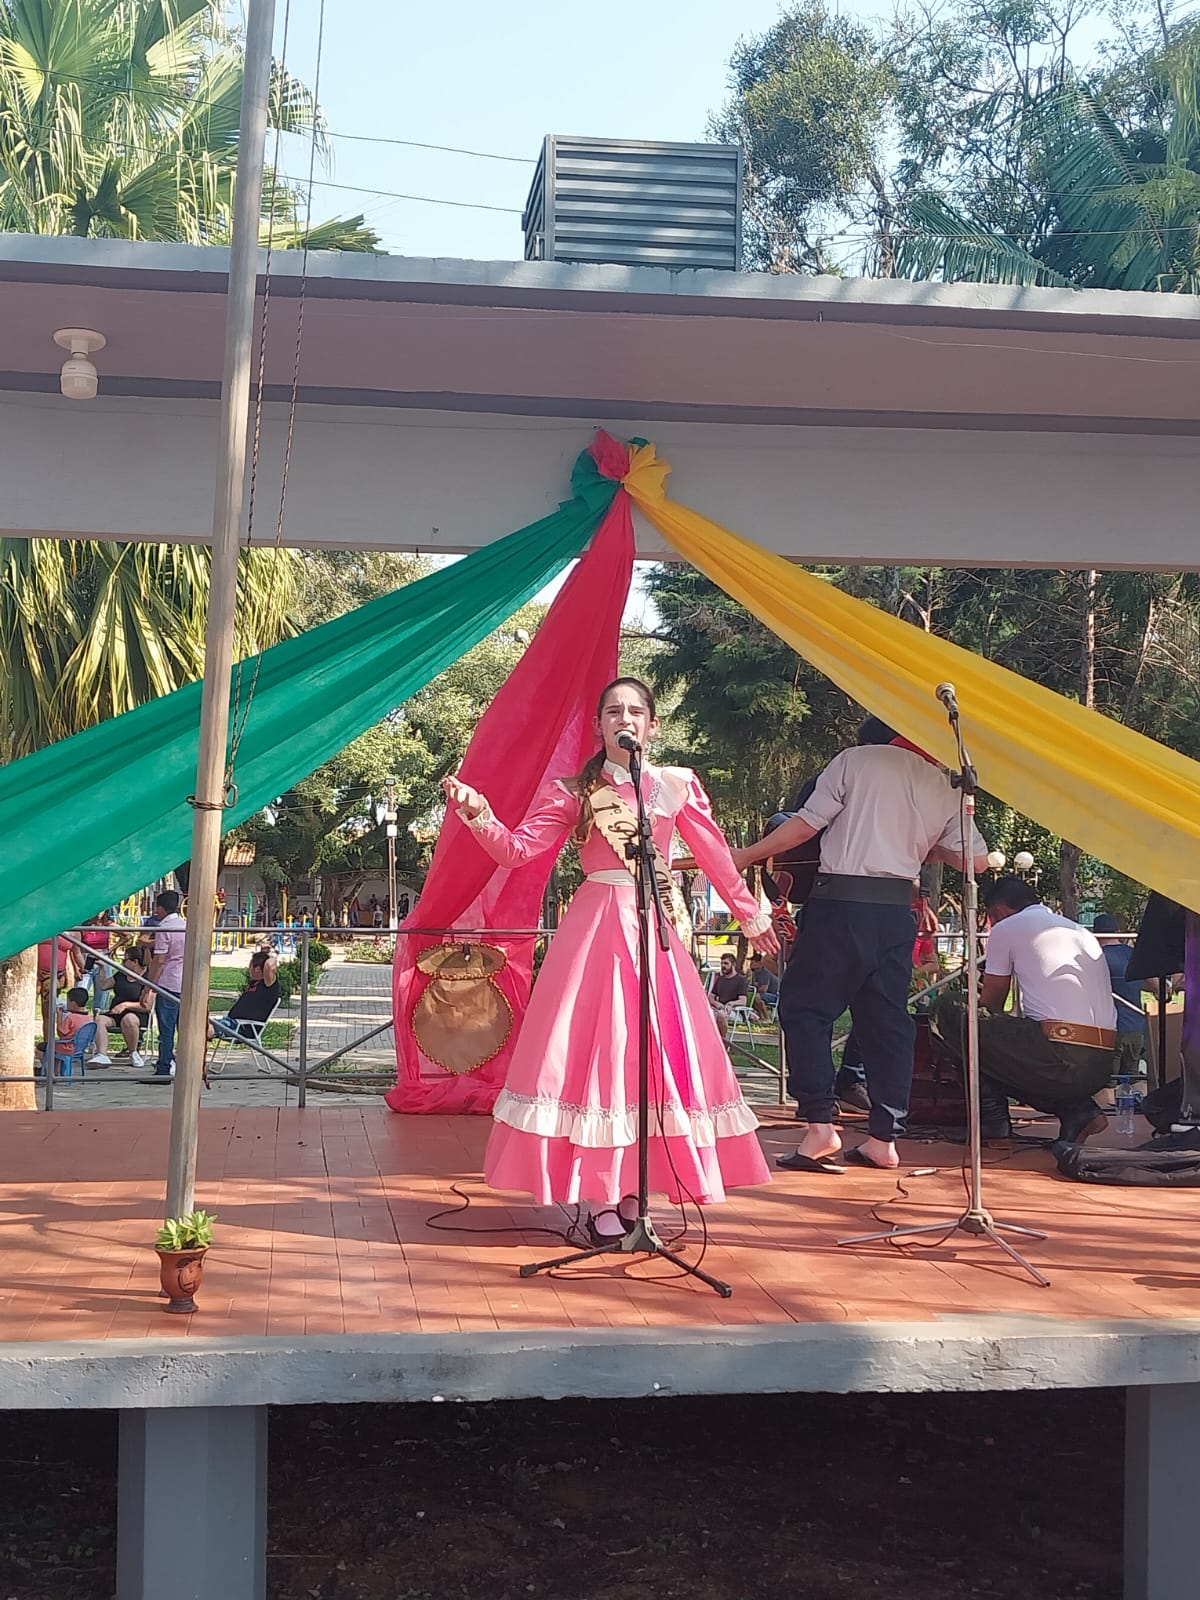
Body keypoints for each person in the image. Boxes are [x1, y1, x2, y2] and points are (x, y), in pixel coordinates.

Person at [441, 675, 778, 1241]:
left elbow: (714, 854)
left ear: (653, 724)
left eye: (635, 711)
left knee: (649, 1057)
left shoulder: (675, 785)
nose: (625, 720)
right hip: (598, 930)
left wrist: (750, 913)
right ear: (599, 725)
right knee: (603, 1054)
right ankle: (599, 1194)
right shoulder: (576, 790)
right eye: (613, 711)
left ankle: (633, 1193)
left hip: (657, 935)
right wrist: (480, 814)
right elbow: (518, 849)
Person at [733, 715, 990, 1173]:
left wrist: (746, 856)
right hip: (895, 915)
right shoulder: (945, 783)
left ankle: (819, 1128)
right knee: (886, 1020)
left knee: (805, 1009)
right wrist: (919, 843)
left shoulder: (854, 760)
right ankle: (884, 1139)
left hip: (841, 905)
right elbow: (978, 861)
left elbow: (808, 824)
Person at [933, 877, 1117, 1144]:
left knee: (952, 1013)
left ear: (999, 912)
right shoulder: (1078, 930)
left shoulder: (1007, 927)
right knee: (997, 1046)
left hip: (1059, 1053)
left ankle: (992, 1119)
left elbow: (991, 1004)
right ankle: (1078, 1111)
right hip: (1102, 1064)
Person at [1092, 912, 1146, 1079]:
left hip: (1110, 1029)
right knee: (1135, 1080)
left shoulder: (1097, 959)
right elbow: (1152, 985)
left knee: (1108, 1082)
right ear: (1117, 932)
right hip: (1137, 1026)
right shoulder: (1134, 956)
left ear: (1096, 935)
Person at [148, 889, 186, 1078]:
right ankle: (184, 1064)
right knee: (183, 1026)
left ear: (161, 908)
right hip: (184, 982)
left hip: (168, 982)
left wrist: (149, 985)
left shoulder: (164, 928)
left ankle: (164, 1066)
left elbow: (159, 960)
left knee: (166, 1027)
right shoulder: (185, 925)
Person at [95, 946, 154, 1068]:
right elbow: (103, 985)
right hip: (116, 1013)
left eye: (125, 959)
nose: (123, 963)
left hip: (137, 1014)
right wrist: (103, 969)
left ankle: (133, 1052)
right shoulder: (121, 975)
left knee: (129, 1019)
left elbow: (148, 1006)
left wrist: (126, 1005)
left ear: (135, 962)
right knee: (99, 1019)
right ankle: (102, 1054)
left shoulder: (148, 977)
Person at [207, 945, 281, 1043]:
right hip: (232, 1023)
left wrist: (272, 955)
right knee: (200, 1025)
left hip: (242, 1028)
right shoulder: (254, 983)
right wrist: (262, 955)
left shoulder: (268, 986)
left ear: (258, 969)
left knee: (206, 1029)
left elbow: (269, 966)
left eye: (250, 966)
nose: (248, 969)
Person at [45, 987, 92, 1073]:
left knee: (45, 1048)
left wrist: (59, 1017)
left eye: (68, 1001)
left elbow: (61, 1033)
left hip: (67, 1047)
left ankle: (49, 1073)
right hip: (80, 1049)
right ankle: (60, 1072)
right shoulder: (89, 1018)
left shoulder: (71, 1018)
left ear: (72, 1003)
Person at [709, 951, 749, 1040]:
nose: (723, 966)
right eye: (722, 963)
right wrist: (716, 1003)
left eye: (726, 963)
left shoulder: (741, 980)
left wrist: (731, 1003)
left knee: (720, 1015)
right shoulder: (720, 979)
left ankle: (723, 1041)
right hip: (719, 1008)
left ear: (733, 964)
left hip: (735, 1011)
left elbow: (743, 1001)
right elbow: (711, 997)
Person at [749, 951, 780, 1020]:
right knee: (752, 997)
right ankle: (761, 1017)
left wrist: (754, 989)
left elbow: (764, 989)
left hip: (775, 996)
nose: (750, 964)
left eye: (753, 962)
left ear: (760, 963)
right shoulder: (755, 973)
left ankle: (766, 1017)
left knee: (756, 996)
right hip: (766, 994)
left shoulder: (763, 973)